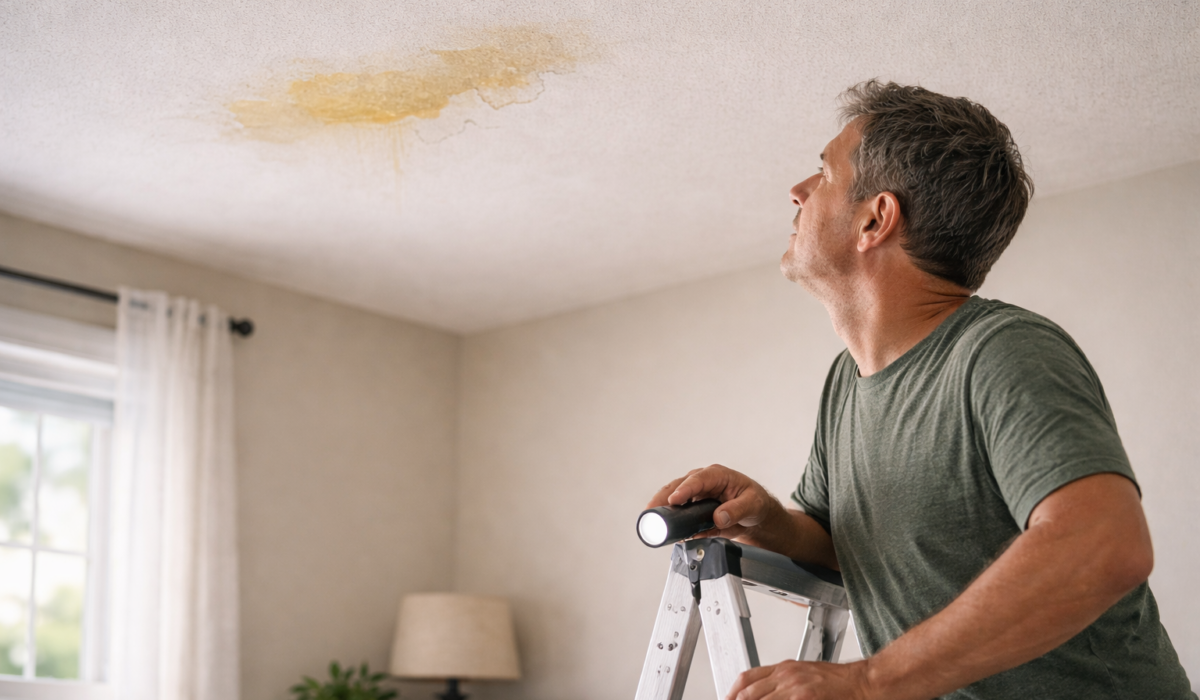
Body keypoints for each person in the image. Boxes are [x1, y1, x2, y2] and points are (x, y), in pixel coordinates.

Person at [645, 80, 1195, 700]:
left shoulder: (1000, 352)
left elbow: (1104, 544)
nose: (798, 191)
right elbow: (850, 547)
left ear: (875, 218)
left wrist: (869, 680)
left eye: (824, 172)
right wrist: (769, 521)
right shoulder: (845, 386)